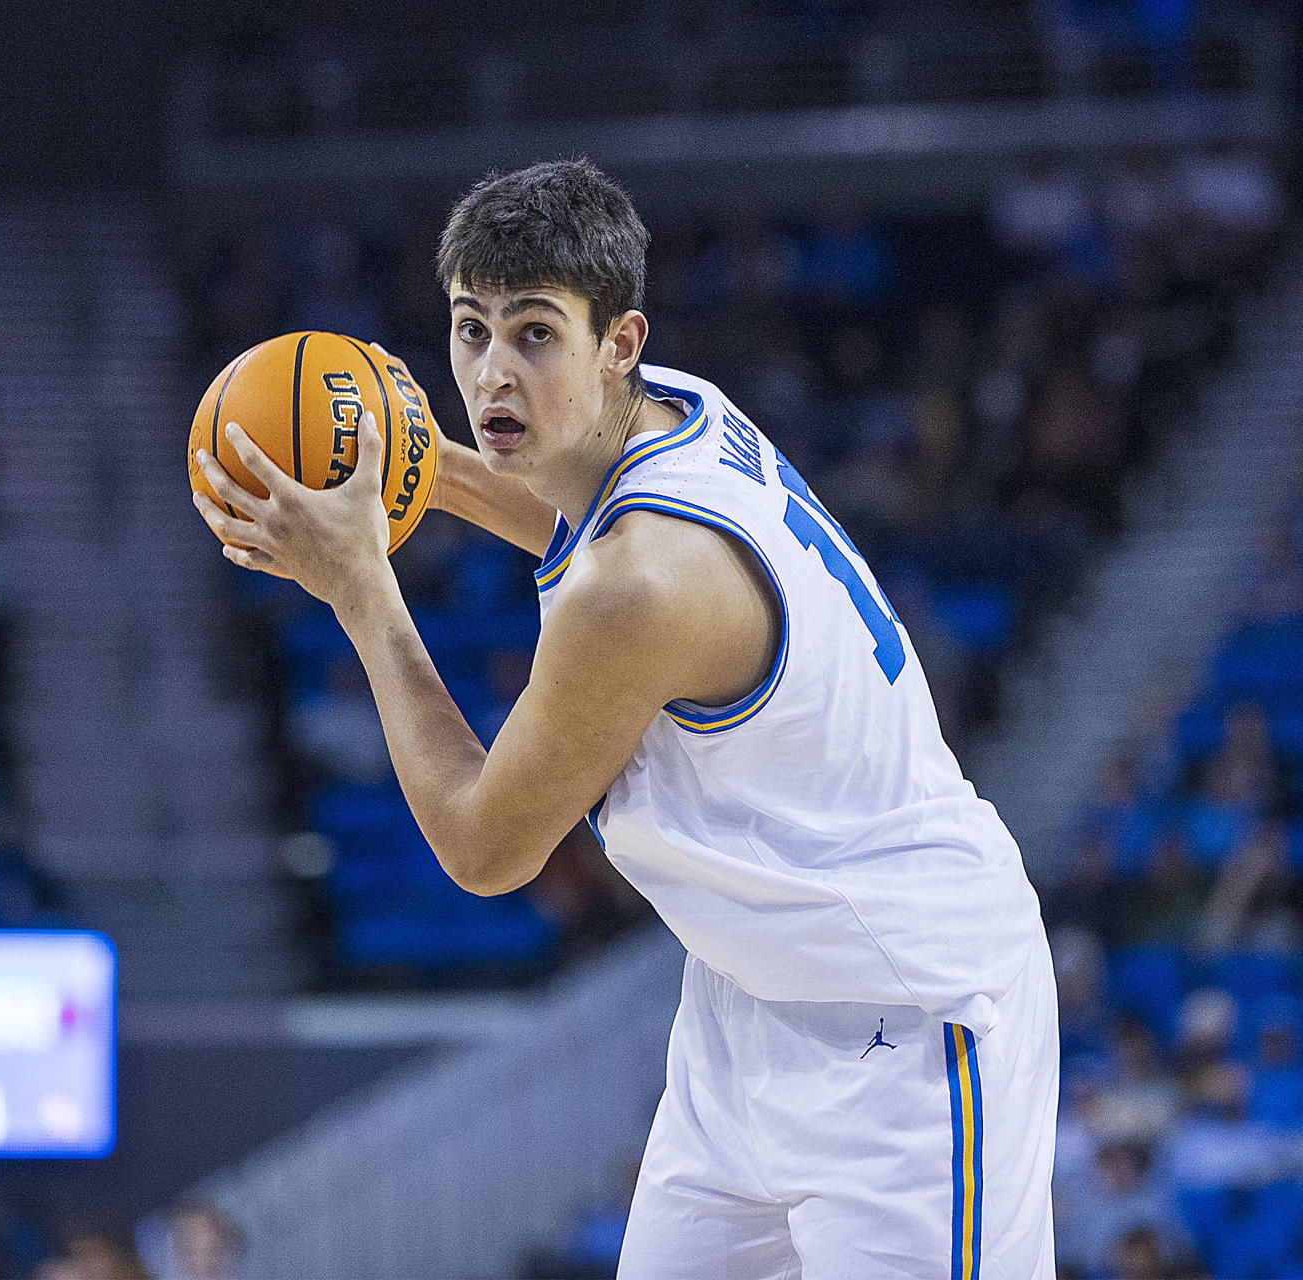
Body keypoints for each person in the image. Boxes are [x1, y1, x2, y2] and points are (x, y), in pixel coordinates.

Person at [192, 159, 1058, 1277]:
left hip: (909, 1019)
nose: (493, 372)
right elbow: (562, 504)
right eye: (470, 330)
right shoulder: (679, 409)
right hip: (744, 999)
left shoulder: (638, 587)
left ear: (618, 340)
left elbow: (484, 843)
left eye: (536, 334)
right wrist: (402, 464)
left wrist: (360, 586)